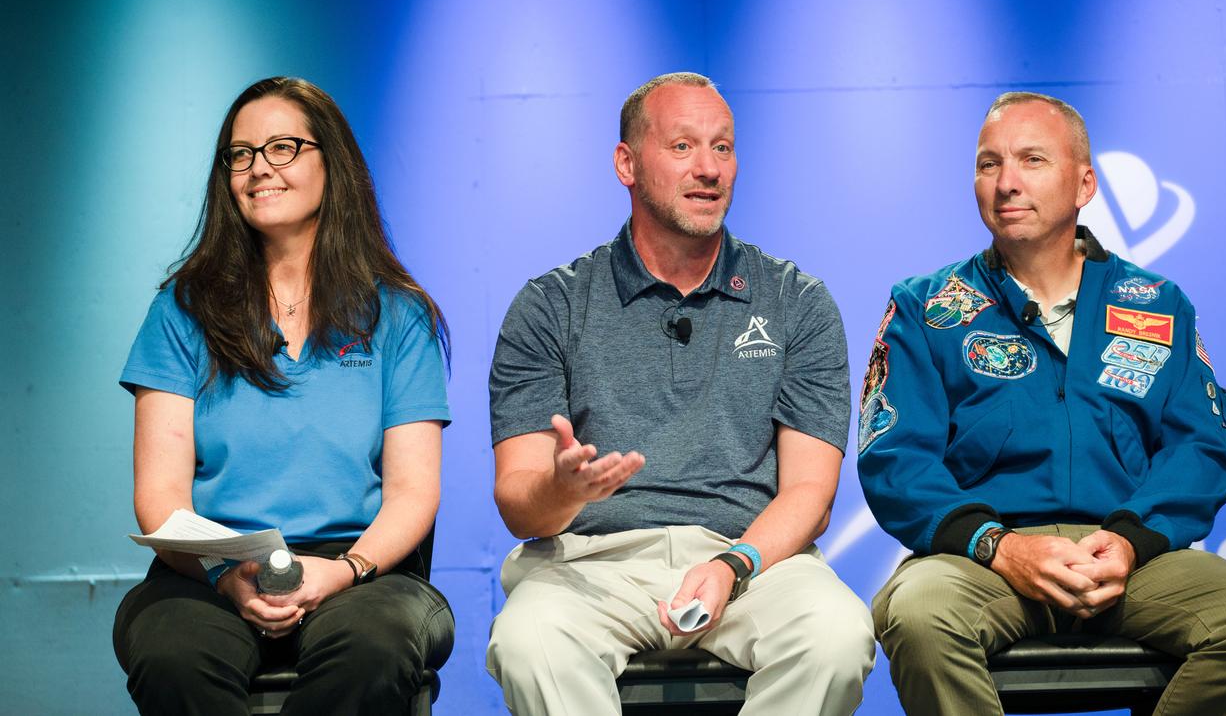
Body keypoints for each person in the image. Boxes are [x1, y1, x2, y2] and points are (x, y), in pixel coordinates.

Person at [858, 91, 1226, 715]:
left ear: (1084, 183)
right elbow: (894, 458)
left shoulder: (1157, 302)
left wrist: (1134, 540)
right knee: (919, 613)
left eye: (1032, 160)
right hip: (985, 561)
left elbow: (1207, 443)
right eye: (988, 164)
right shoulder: (927, 307)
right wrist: (1000, 547)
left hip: (1130, 559)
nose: (1006, 183)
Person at [485, 72, 876, 715]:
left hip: (753, 563)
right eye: (683, 147)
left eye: (722, 148)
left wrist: (733, 566)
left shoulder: (796, 301)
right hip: (588, 561)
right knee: (530, 641)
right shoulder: (551, 304)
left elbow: (811, 492)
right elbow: (520, 505)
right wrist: (562, 489)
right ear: (626, 163)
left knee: (835, 635)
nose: (709, 169)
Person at [113, 77, 454, 714]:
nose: (258, 169)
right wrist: (228, 574)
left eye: (282, 148)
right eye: (240, 155)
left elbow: (414, 494)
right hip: (210, 573)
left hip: (360, 569)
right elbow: (159, 500)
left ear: (334, 163)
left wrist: (344, 571)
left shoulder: (399, 316)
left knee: (374, 646)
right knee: (171, 656)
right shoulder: (180, 312)